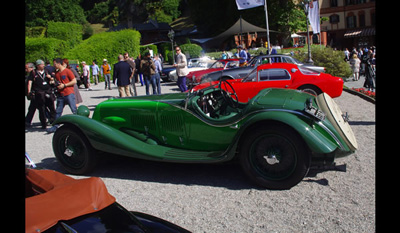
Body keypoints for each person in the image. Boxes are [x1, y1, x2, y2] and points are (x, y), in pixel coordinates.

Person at [47, 58, 77, 133]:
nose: (54, 65)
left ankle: (79, 125)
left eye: (54, 64)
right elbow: (58, 82)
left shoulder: (67, 71)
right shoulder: (56, 73)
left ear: (58, 63)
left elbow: (74, 81)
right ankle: (55, 126)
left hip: (69, 93)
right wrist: (52, 81)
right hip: (60, 94)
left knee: (74, 110)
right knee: (58, 111)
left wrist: (64, 85)